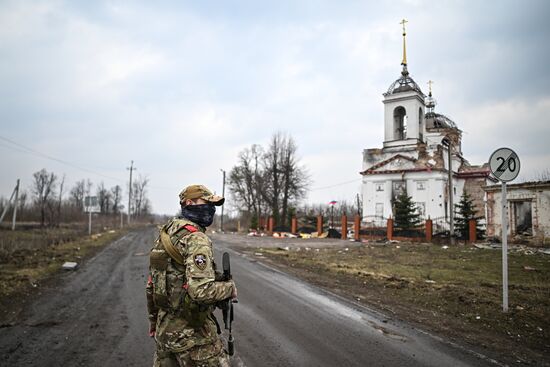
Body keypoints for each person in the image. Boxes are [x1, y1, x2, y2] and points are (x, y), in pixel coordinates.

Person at [146, 184, 237, 367]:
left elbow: (152, 285)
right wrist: (230, 288)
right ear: (189, 203)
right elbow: (201, 292)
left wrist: (154, 322)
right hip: (194, 337)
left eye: (214, 206)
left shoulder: (167, 232)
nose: (211, 210)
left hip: (165, 334)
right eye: (207, 203)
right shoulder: (196, 238)